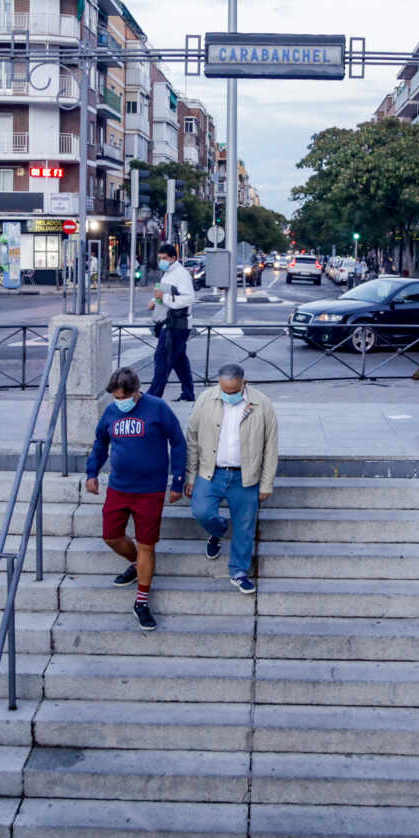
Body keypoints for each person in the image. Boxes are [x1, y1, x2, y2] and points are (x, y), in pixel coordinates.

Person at [84, 367, 186, 631]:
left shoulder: (157, 408)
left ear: (136, 391)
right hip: (119, 488)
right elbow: (100, 443)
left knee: (147, 545)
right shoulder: (111, 411)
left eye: (123, 397)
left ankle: (141, 600)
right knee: (111, 536)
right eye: (116, 397)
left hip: (150, 491)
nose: (120, 402)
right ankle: (136, 564)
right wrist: (91, 472)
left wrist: (177, 479)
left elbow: (177, 442)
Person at [184, 363, 280, 594]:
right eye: (224, 390)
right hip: (211, 472)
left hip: (245, 475)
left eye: (233, 391)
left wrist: (266, 483)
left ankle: (239, 571)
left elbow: (271, 446)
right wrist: (190, 475)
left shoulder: (262, 403)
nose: (228, 395)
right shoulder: (206, 399)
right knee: (201, 511)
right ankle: (217, 531)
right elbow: (192, 438)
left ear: (243, 383)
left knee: (245, 525)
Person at [147, 242, 196, 403]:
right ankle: (188, 393)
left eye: (164, 258)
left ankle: (152, 398)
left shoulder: (181, 274)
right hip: (170, 323)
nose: (161, 261)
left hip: (177, 324)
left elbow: (188, 298)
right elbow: (163, 293)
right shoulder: (167, 273)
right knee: (180, 361)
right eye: (160, 258)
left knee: (162, 359)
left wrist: (163, 298)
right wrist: (155, 301)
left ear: (173, 258)